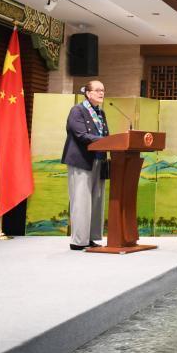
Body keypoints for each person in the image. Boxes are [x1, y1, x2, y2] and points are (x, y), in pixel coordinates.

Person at [61, 80, 110, 251]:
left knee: (96, 200)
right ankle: (78, 241)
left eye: (103, 90)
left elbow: (106, 135)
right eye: (97, 90)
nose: (101, 93)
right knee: (81, 200)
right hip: (81, 161)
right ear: (88, 93)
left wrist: (110, 141)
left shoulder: (101, 113)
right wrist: (106, 141)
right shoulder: (77, 110)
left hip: (98, 160)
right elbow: (80, 134)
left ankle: (90, 238)